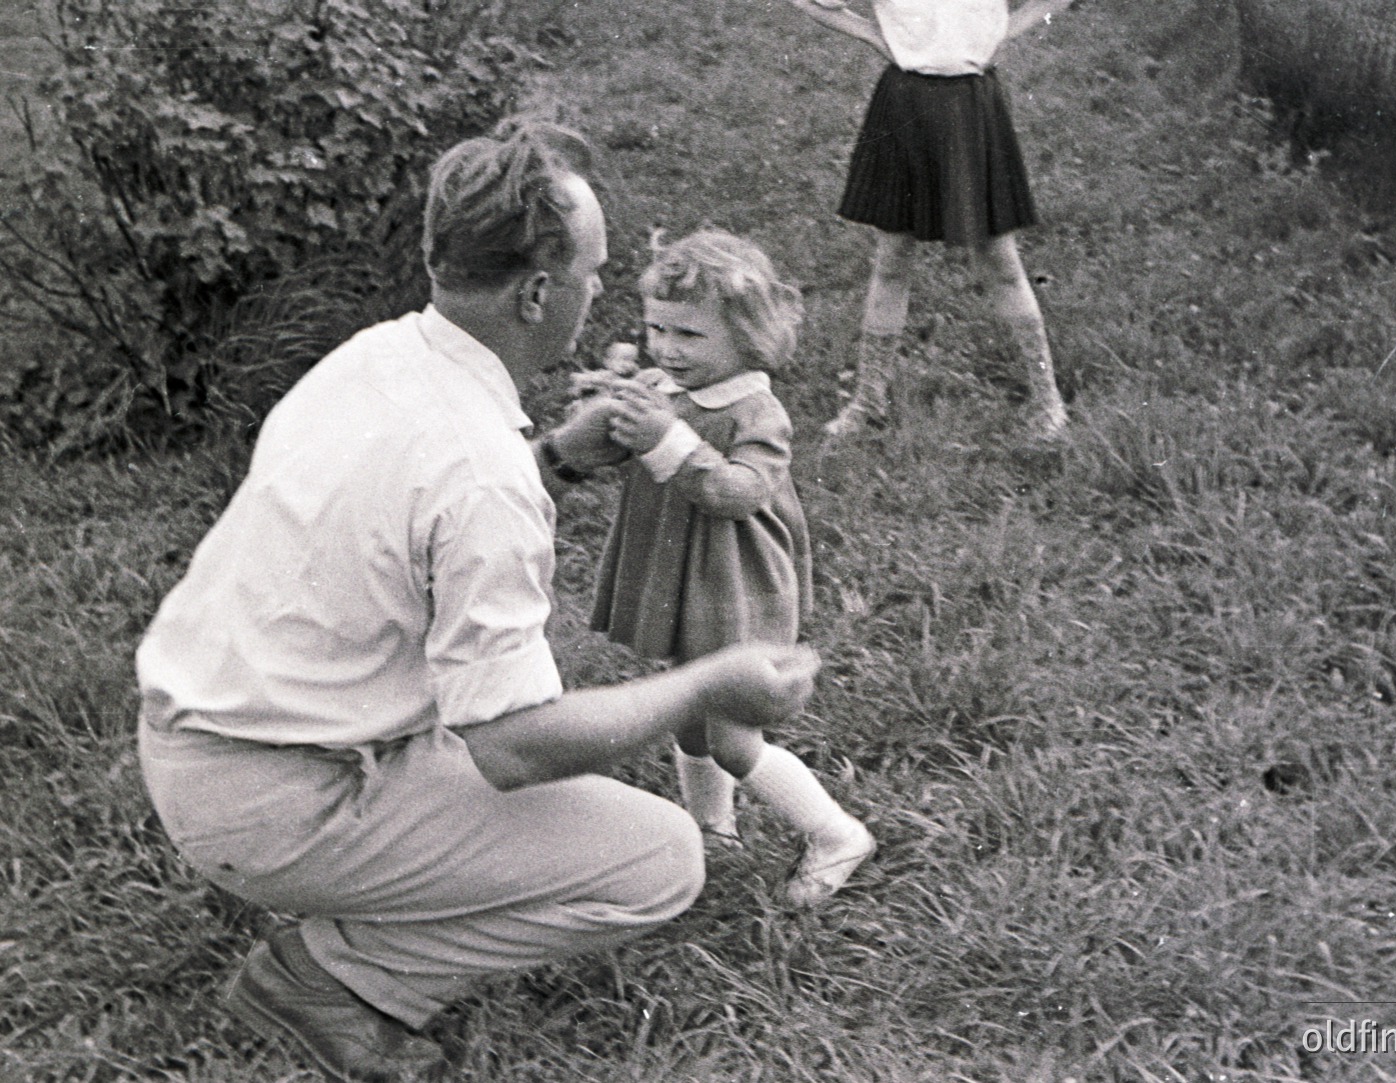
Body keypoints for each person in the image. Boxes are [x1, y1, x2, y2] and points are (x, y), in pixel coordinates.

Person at [134, 118, 820, 1083]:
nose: (598, 295)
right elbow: (514, 743)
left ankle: (361, 901)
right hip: (281, 799)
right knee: (659, 859)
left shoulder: (372, 356)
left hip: (202, 742)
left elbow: (421, 513)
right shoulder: (480, 476)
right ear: (539, 291)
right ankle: (332, 973)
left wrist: (559, 455)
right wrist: (711, 682)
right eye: (592, 272)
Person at [540, 230, 875, 908]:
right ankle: (710, 827)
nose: (665, 348)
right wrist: (603, 417)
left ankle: (836, 832)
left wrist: (667, 438)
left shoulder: (756, 409)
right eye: (656, 329)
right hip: (683, 579)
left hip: (736, 586)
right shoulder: (664, 387)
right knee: (689, 707)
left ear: (747, 337)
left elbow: (737, 492)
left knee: (730, 735)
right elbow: (615, 445)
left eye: (688, 334)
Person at [783, 0, 1076, 442]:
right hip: (906, 104)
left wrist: (1006, 30)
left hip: (972, 106)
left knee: (1000, 259)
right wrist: (870, 34)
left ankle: (1047, 400)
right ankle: (869, 400)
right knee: (892, 258)